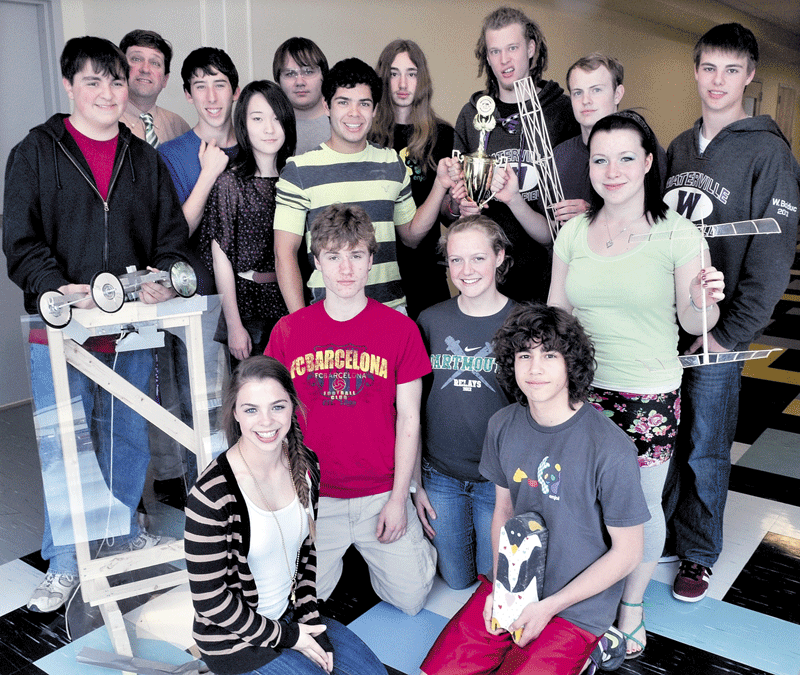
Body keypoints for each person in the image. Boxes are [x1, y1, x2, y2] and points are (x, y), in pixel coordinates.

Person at [3, 36, 188, 612]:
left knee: (126, 438)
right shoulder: (35, 153)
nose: (107, 93)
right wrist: (56, 286)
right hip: (59, 330)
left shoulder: (143, 158)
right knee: (66, 447)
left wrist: (164, 276)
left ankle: (117, 536)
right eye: (93, 82)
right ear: (69, 86)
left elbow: (171, 241)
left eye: (115, 82)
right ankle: (64, 563)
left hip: (131, 331)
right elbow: (20, 240)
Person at [549, 110, 725, 658]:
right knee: (580, 503)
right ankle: (583, 600)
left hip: (647, 395)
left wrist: (707, 296)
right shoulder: (574, 232)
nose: (613, 169)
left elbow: (697, 325)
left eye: (627, 157)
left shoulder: (678, 233)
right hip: (580, 393)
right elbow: (558, 312)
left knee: (638, 511)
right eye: (600, 159)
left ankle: (629, 611)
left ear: (649, 163)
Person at [420, 303, 649, 675]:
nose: (535, 368)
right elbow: (504, 511)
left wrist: (549, 607)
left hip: (577, 605)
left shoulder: (610, 448)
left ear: (570, 364)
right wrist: (499, 586)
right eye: (524, 355)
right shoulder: (502, 424)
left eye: (549, 354)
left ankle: (597, 645)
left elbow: (628, 553)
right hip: (514, 583)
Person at [661, 23, 799, 603]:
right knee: (663, 437)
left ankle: (698, 552)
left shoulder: (770, 153)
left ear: (749, 78)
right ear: (695, 71)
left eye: (732, 70)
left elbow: (772, 257)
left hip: (720, 334)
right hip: (666, 326)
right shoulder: (678, 146)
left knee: (707, 444)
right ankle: (663, 531)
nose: (718, 82)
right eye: (709, 68)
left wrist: (728, 334)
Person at [266, 204, 436, 615]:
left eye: (356, 255)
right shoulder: (290, 331)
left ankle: (386, 555)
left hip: (380, 491)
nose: (346, 269)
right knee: (295, 604)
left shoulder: (400, 329)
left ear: (371, 261)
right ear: (317, 262)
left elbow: (410, 419)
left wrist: (401, 497)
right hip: (316, 495)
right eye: (333, 256)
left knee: (412, 601)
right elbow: (271, 419)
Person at [185, 355, 388, 675]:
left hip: (292, 617)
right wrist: (290, 638)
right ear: (235, 413)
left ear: (292, 406)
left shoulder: (306, 464)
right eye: (251, 409)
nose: (266, 421)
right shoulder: (212, 494)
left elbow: (305, 555)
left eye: (277, 406)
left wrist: (309, 622)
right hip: (236, 640)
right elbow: (210, 603)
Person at [273, 57, 456, 313]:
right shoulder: (298, 171)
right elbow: (284, 255)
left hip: (390, 312)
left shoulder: (392, 163)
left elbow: (411, 237)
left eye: (364, 103)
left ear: (374, 109)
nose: (354, 113)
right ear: (327, 106)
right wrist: (301, 323)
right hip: (327, 314)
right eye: (343, 102)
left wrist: (440, 186)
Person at [449, 6, 580, 303]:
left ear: (531, 49)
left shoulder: (562, 112)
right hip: (485, 285)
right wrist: (460, 207)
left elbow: (581, 197)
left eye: (512, 48)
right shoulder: (472, 116)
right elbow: (453, 207)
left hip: (548, 279)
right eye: (495, 51)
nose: (504, 60)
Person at [414, 215, 515, 590]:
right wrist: (415, 485)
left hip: (498, 480)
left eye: (478, 258)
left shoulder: (521, 321)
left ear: (499, 256)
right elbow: (412, 410)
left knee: (492, 581)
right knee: (456, 581)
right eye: (456, 260)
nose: (466, 270)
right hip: (441, 475)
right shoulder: (431, 321)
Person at [199, 81, 295, 368]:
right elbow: (221, 259)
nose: (269, 128)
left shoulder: (297, 178)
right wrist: (234, 325)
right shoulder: (229, 183)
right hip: (246, 306)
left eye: (277, 119)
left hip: (291, 300)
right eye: (258, 118)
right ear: (243, 124)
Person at [370, 39, 454, 318]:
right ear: (383, 79)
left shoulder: (443, 135)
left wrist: (456, 207)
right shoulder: (367, 137)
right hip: (377, 269)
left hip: (426, 269)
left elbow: (449, 214)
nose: (402, 83)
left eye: (411, 73)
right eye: (394, 74)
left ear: (422, 79)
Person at [160, 46, 240, 293]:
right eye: (200, 86)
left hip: (256, 293)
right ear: (188, 94)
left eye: (220, 84)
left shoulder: (257, 147)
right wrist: (208, 175)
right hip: (200, 294)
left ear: (235, 92)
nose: (211, 97)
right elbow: (175, 235)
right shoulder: (169, 155)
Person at [552, 53, 667, 224]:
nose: (586, 100)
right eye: (577, 93)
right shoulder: (558, 156)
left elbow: (661, 219)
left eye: (596, 90)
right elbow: (549, 231)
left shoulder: (646, 151)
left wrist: (594, 214)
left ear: (617, 94)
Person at [119, 29, 190, 146]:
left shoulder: (179, 127)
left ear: (165, 80)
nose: (145, 69)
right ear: (120, 69)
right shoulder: (104, 123)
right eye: (136, 59)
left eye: (155, 63)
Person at [273, 37, 330, 155]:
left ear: (324, 76)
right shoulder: (268, 129)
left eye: (308, 72)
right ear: (278, 81)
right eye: (290, 74)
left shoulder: (345, 123)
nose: (299, 82)